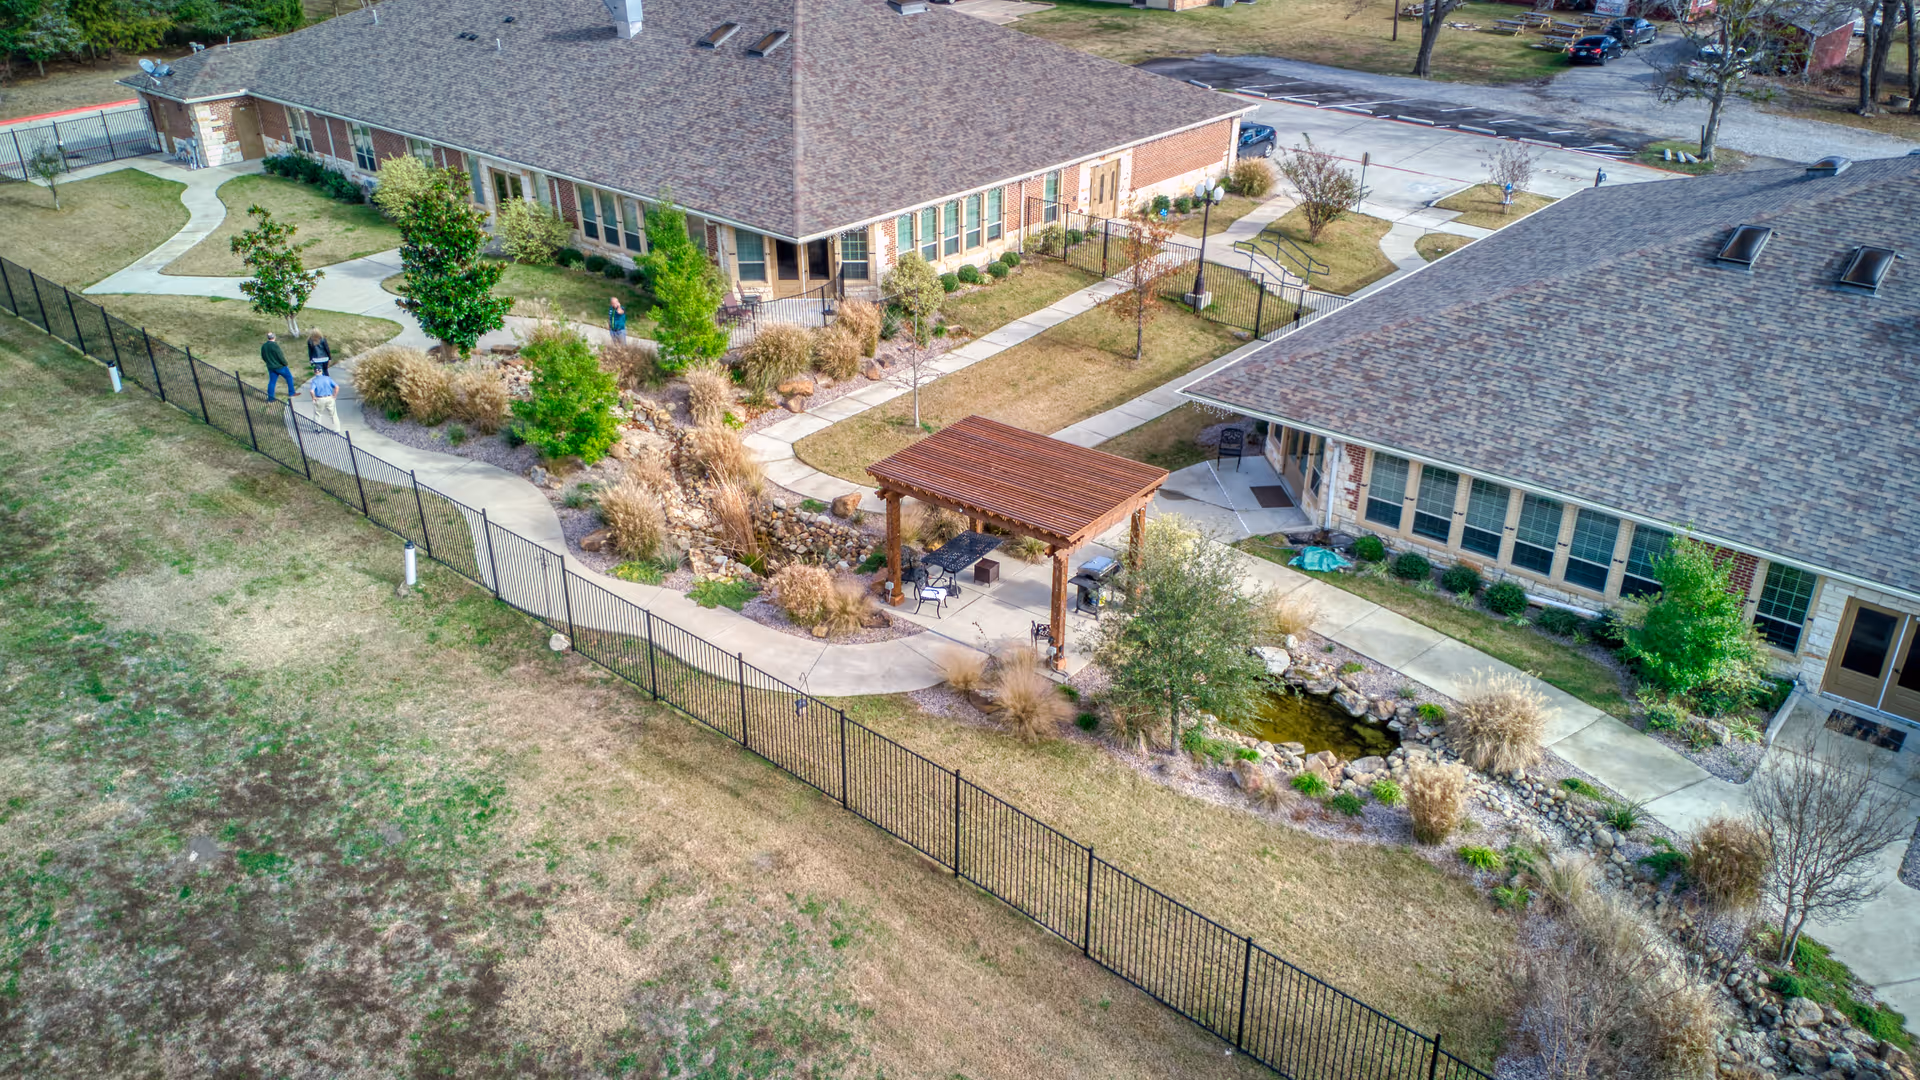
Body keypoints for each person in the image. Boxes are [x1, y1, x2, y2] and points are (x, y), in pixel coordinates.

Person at [261, 332, 296, 402]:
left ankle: (270, 398)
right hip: (280, 366)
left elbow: (263, 356)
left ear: (268, 338)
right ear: (274, 337)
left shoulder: (264, 346)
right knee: (289, 377)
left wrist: (268, 362)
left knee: (272, 382)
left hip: (271, 367)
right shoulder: (275, 346)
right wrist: (285, 363)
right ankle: (291, 392)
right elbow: (280, 356)